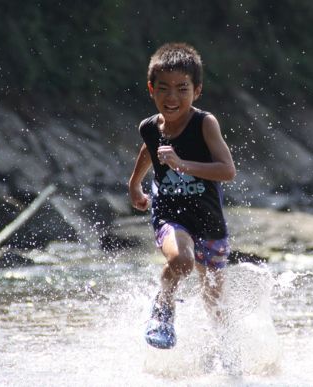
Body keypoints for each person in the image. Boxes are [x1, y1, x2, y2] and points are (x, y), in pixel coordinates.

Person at [127, 42, 236, 349]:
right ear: (151, 89)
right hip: (170, 215)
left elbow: (227, 171)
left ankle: (224, 357)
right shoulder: (149, 127)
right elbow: (149, 151)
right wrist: (135, 184)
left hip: (209, 220)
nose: (172, 97)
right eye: (163, 89)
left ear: (196, 91)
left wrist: (182, 164)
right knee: (181, 259)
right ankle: (163, 309)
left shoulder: (205, 123)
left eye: (181, 89)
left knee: (215, 302)